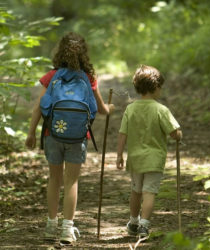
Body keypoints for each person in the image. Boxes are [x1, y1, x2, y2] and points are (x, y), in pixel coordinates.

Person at [25, 32, 113, 245]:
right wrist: (109, 108)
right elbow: (101, 109)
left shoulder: (51, 75)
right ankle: (67, 229)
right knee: (71, 181)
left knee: (54, 179)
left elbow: (39, 106)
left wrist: (31, 133)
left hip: (52, 134)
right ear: (84, 53)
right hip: (77, 136)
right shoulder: (89, 78)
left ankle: (50, 225)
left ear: (60, 51)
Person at [116, 65, 182, 238]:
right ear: (155, 87)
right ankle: (144, 226)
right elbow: (174, 133)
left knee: (136, 191)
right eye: (160, 86)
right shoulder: (161, 110)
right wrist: (179, 135)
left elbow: (122, 133)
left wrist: (119, 155)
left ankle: (133, 222)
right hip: (154, 159)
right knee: (149, 192)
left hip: (136, 159)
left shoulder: (130, 109)